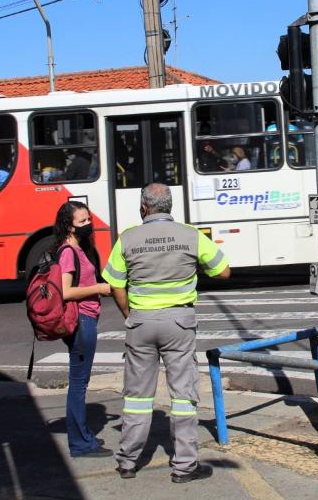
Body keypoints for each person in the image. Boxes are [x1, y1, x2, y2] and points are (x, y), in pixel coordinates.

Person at [103, 183, 231, 482]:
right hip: (179, 323)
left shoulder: (128, 238)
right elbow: (223, 271)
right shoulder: (190, 234)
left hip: (141, 321)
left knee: (136, 397)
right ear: (169, 206)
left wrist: (130, 314)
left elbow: (115, 285)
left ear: (143, 207)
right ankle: (184, 466)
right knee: (183, 396)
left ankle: (127, 461)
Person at [50, 201, 113, 458]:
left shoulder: (78, 248)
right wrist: (99, 288)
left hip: (85, 320)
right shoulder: (68, 252)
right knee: (78, 384)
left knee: (80, 382)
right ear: (69, 225)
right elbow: (65, 291)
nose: (88, 225)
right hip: (80, 321)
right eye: (82, 221)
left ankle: (84, 437)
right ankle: (80, 443)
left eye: (88, 219)